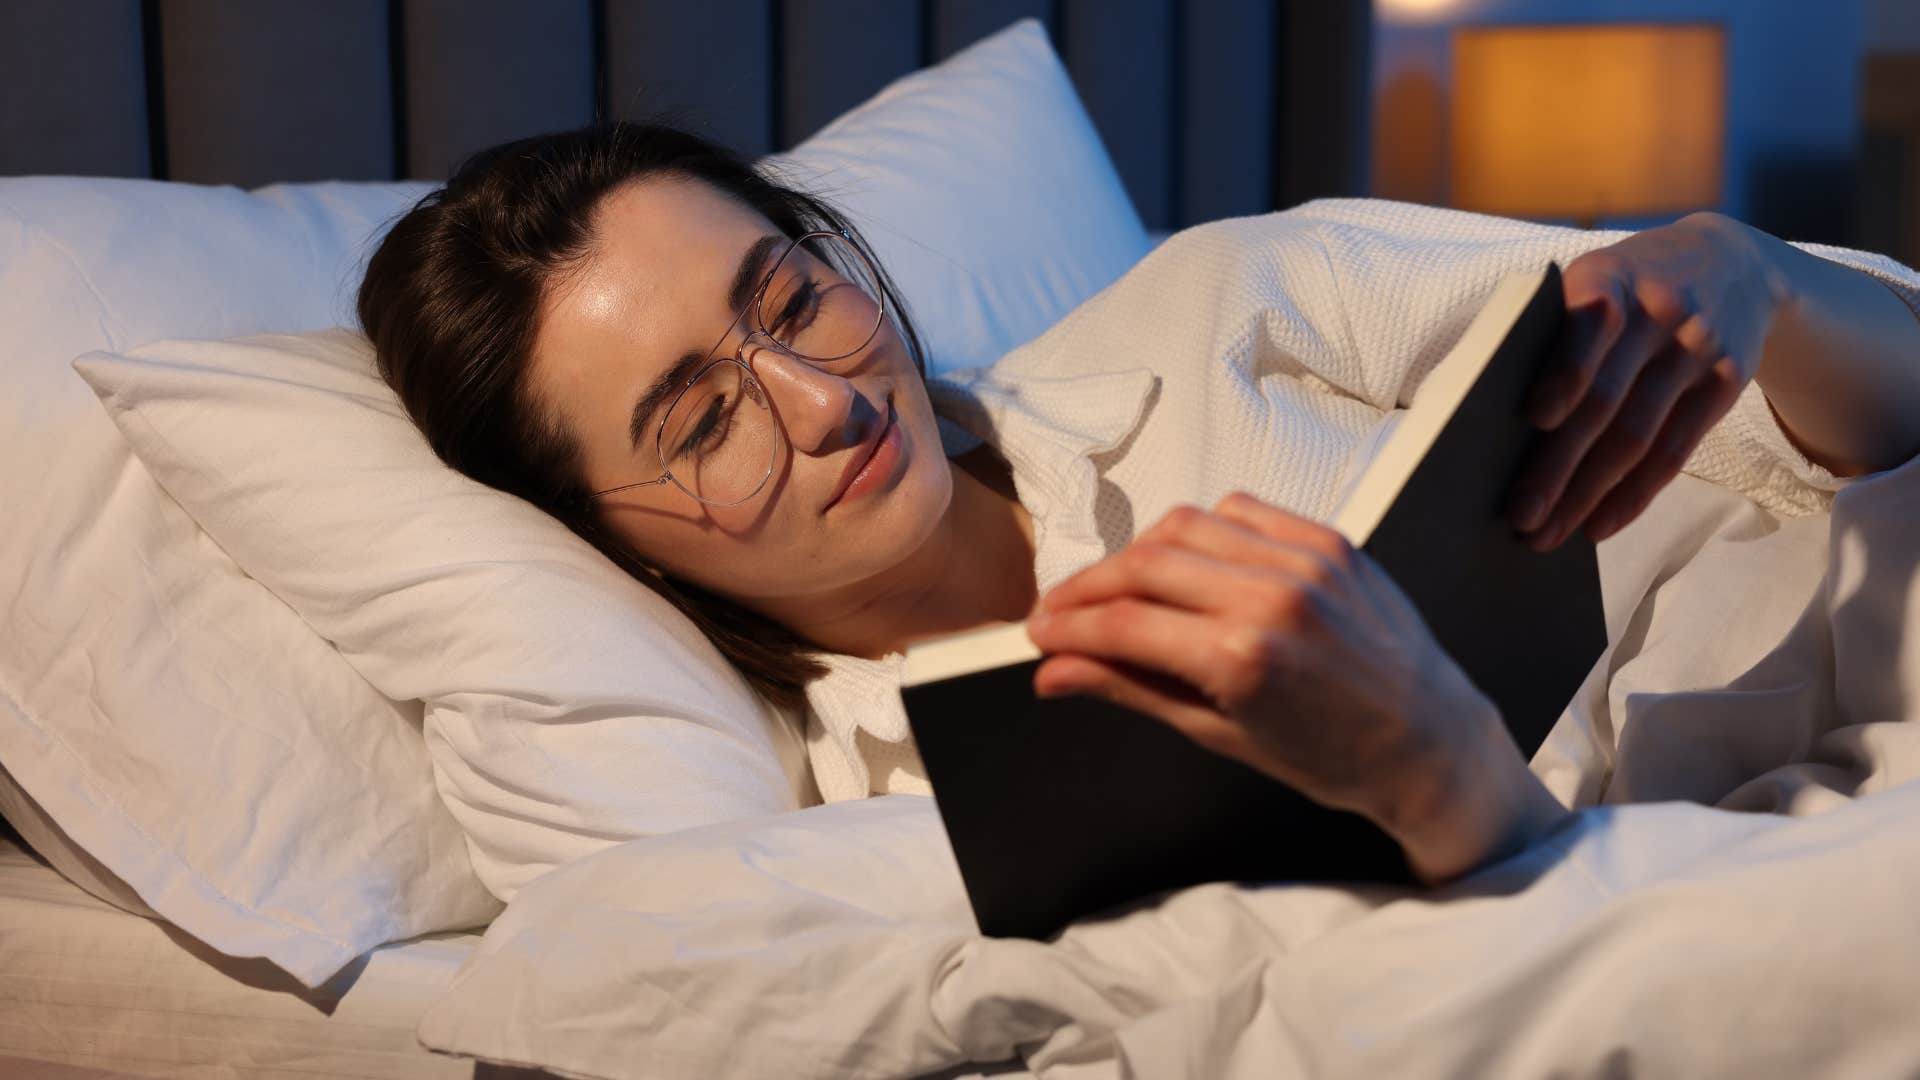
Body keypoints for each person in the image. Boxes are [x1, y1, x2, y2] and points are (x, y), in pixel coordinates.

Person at [357, 121, 1920, 888]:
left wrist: (1762, 279)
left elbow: (1882, 427)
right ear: (598, 533)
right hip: (1730, 909)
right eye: (705, 418)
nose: (824, 401)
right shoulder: (886, 830)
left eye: (793, 298)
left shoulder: (1219, 310)